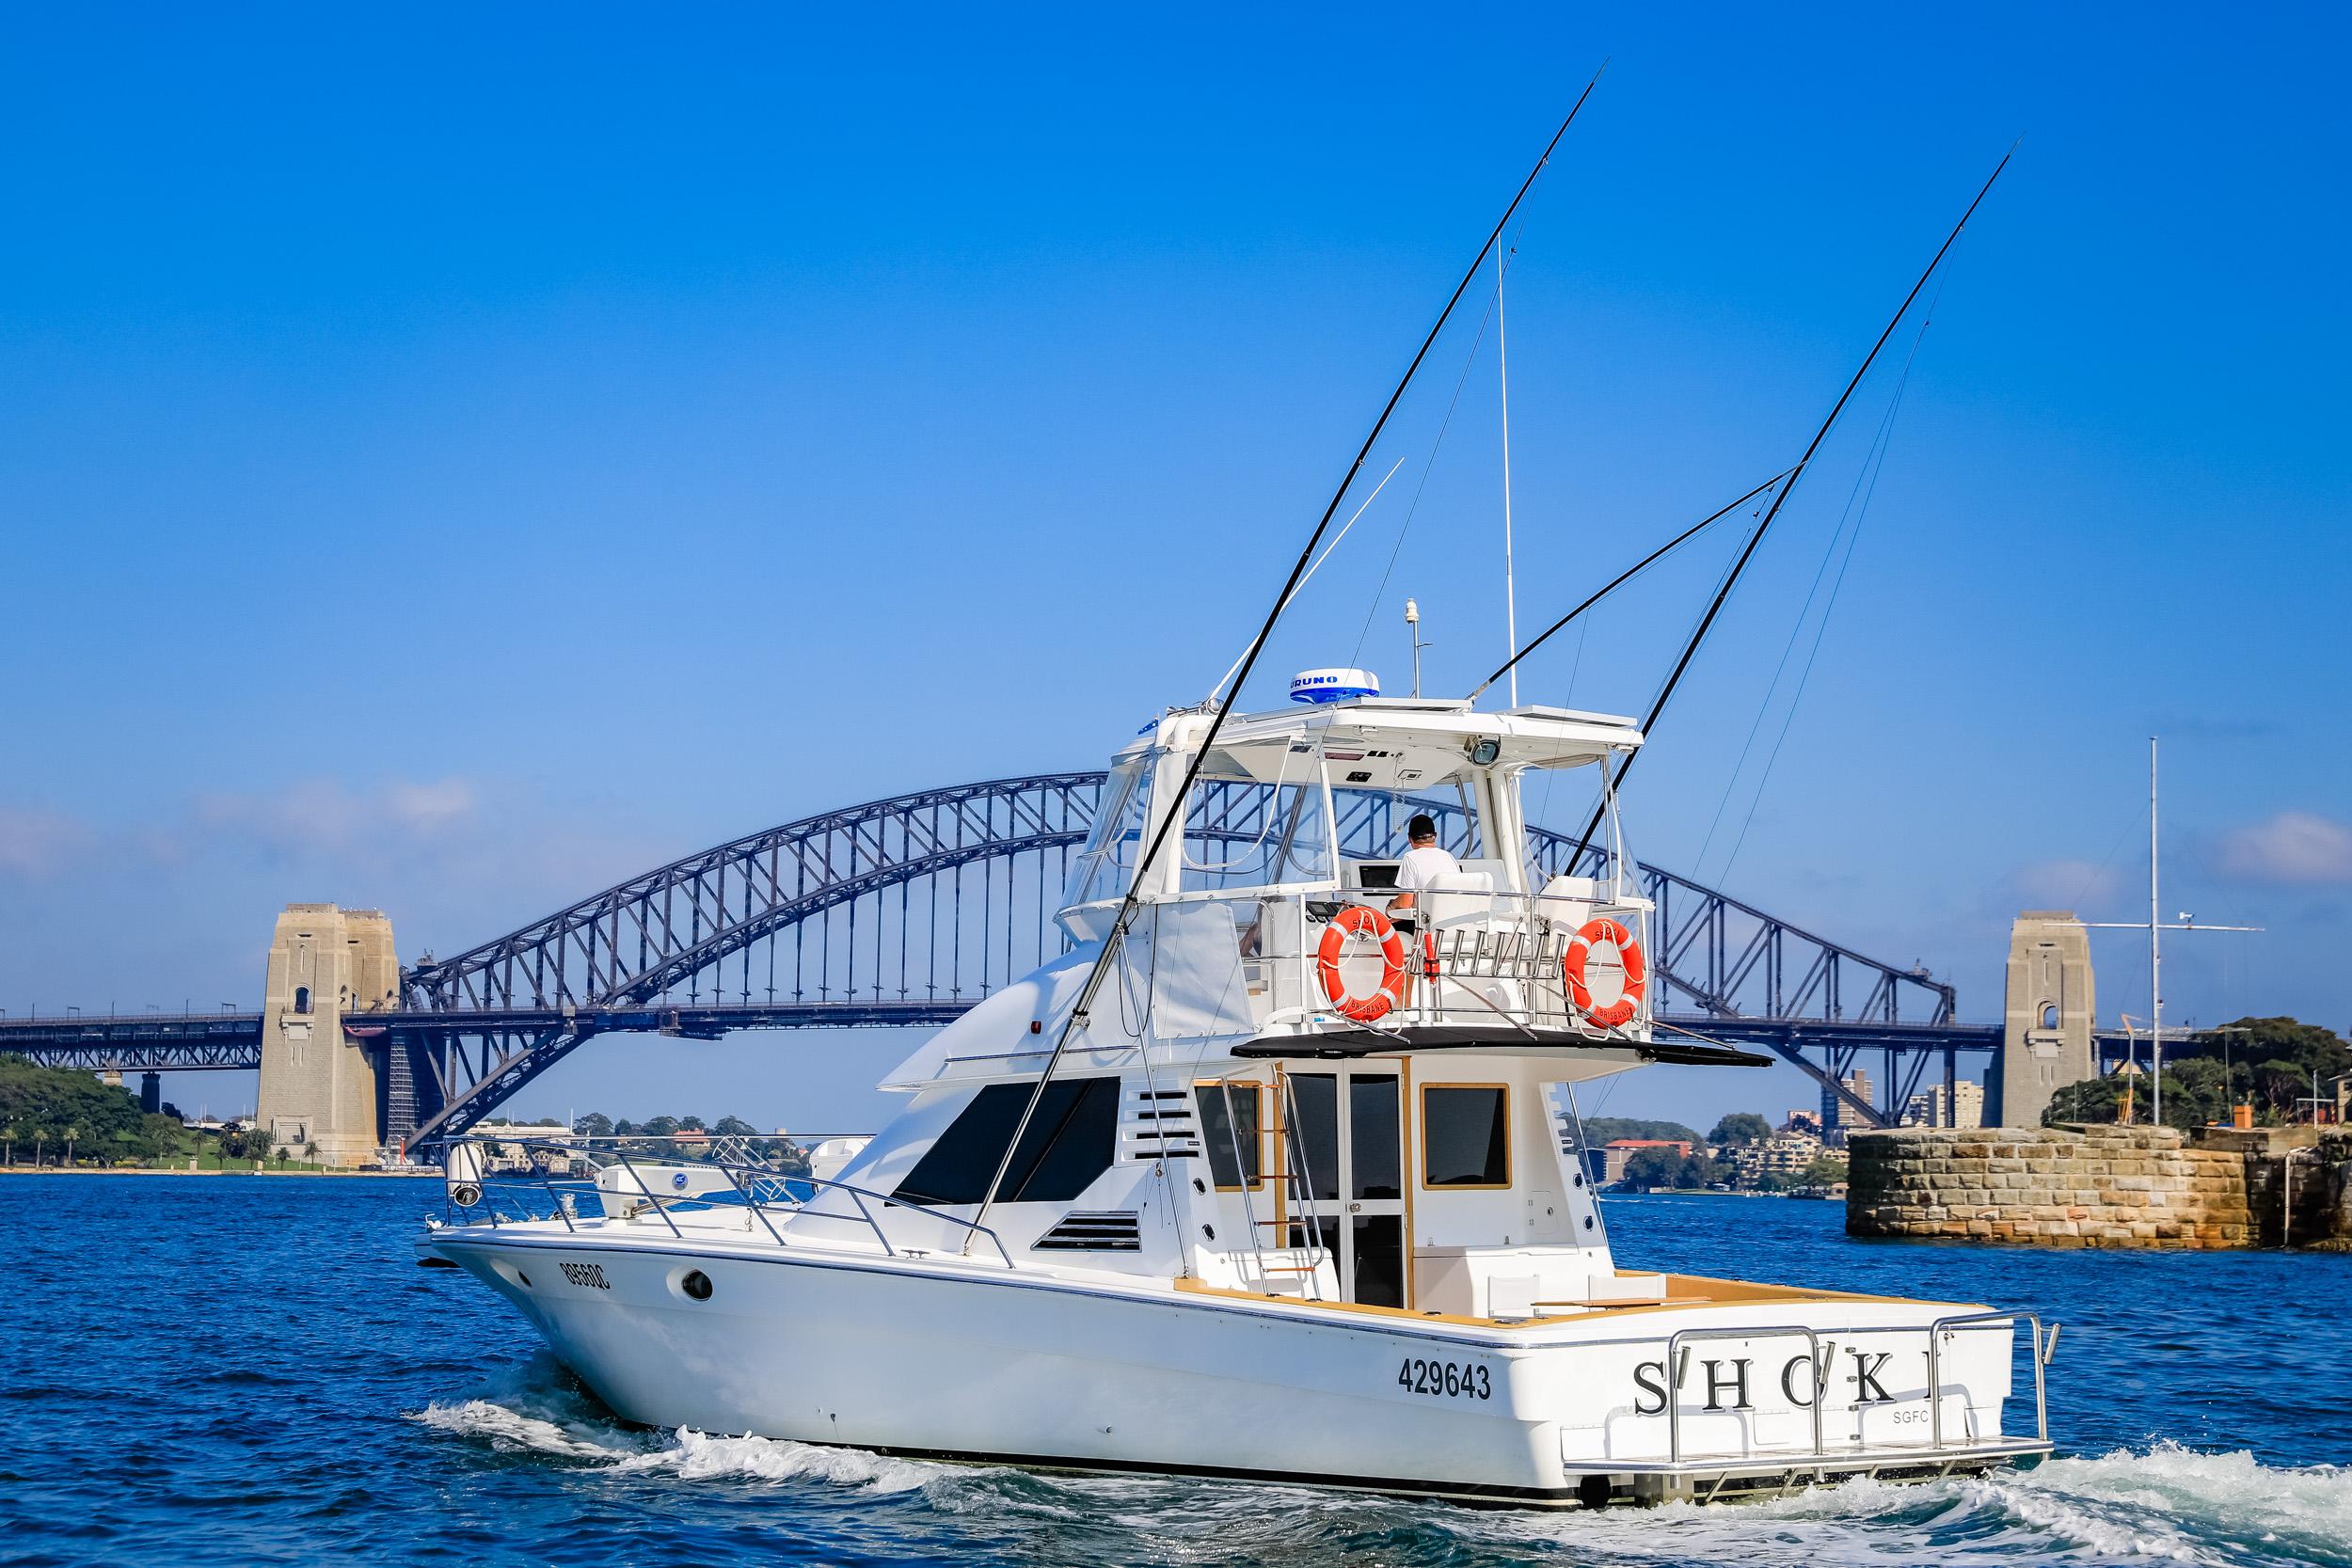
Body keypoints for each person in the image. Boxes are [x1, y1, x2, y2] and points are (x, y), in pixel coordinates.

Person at [1390, 815, 1460, 916]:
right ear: (1435, 836)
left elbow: (1405, 904)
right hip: (1451, 919)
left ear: (1410, 838)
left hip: (1425, 921)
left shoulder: (1410, 858)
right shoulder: (1449, 857)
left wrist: (1391, 906)